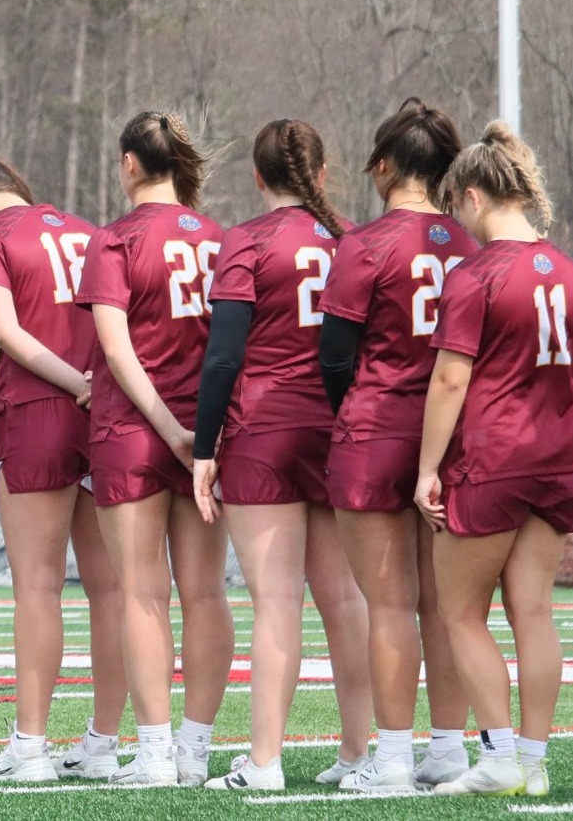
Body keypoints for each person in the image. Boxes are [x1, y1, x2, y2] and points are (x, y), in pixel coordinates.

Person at [0, 145, 129, 782]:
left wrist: (71, 381)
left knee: (38, 589)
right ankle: (103, 744)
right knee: (112, 592)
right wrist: (96, 384)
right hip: (105, 405)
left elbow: (7, 331)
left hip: (40, 406)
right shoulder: (86, 228)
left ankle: (30, 748)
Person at [192, 120, 372, 790]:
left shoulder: (245, 240)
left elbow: (225, 356)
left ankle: (263, 761)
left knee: (275, 603)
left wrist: (203, 447)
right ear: (322, 174)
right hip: (341, 429)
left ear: (257, 177)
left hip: (263, 430)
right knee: (347, 601)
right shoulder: (353, 238)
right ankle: (360, 755)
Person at [317, 98, 475, 792]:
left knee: (387, 606)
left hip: (375, 431)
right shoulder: (471, 243)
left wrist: (357, 412)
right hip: (456, 442)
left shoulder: (364, 243)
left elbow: (332, 357)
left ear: (382, 165)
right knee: (445, 606)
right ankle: (446, 750)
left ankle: (388, 759)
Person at [77, 112, 233, 787]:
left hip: (134, 430)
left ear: (130, 164)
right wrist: (199, 425)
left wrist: (168, 426)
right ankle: (194, 750)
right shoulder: (221, 238)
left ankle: (155, 751)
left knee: (141, 595)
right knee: (204, 594)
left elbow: (115, 349)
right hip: (211, 428)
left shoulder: (113, 239)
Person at [415, 123, 567, 798]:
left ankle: (501, 755)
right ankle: (532, 762)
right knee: (532, 611)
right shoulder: (563, 268)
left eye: (454, 207)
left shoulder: (476, 273)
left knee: (459, 613)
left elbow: (449, 381)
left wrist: (424, 469)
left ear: (471, 197)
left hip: (490, 458)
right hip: (556, 460)